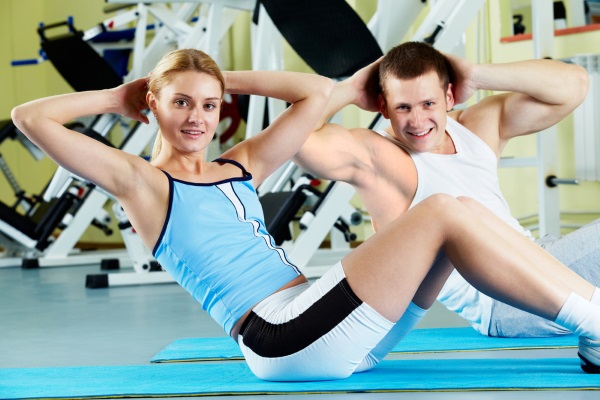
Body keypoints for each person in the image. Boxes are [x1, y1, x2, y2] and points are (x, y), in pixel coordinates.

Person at [11, 48, 600, 381]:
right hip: (279, 336)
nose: (197, 117)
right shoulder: (141, 182)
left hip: (336, 329)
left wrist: (218, 76)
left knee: (454, 218)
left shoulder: (240, 166)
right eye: (181, 103)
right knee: (444, 209)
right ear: (153, 108)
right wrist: (127, 93)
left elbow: (314, 93)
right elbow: (30, 117)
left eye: (210, 104)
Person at [294, 41, 600, 339]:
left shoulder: (475, 127)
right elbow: (295, 140)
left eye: (428, 103)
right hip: (507, 301)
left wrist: (477, 74)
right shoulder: (377, 157)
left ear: (449, 96)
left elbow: (575, 84)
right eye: (403, 107)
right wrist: (351, 89)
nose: (417, 121)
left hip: (543, 261)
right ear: (383, 107)